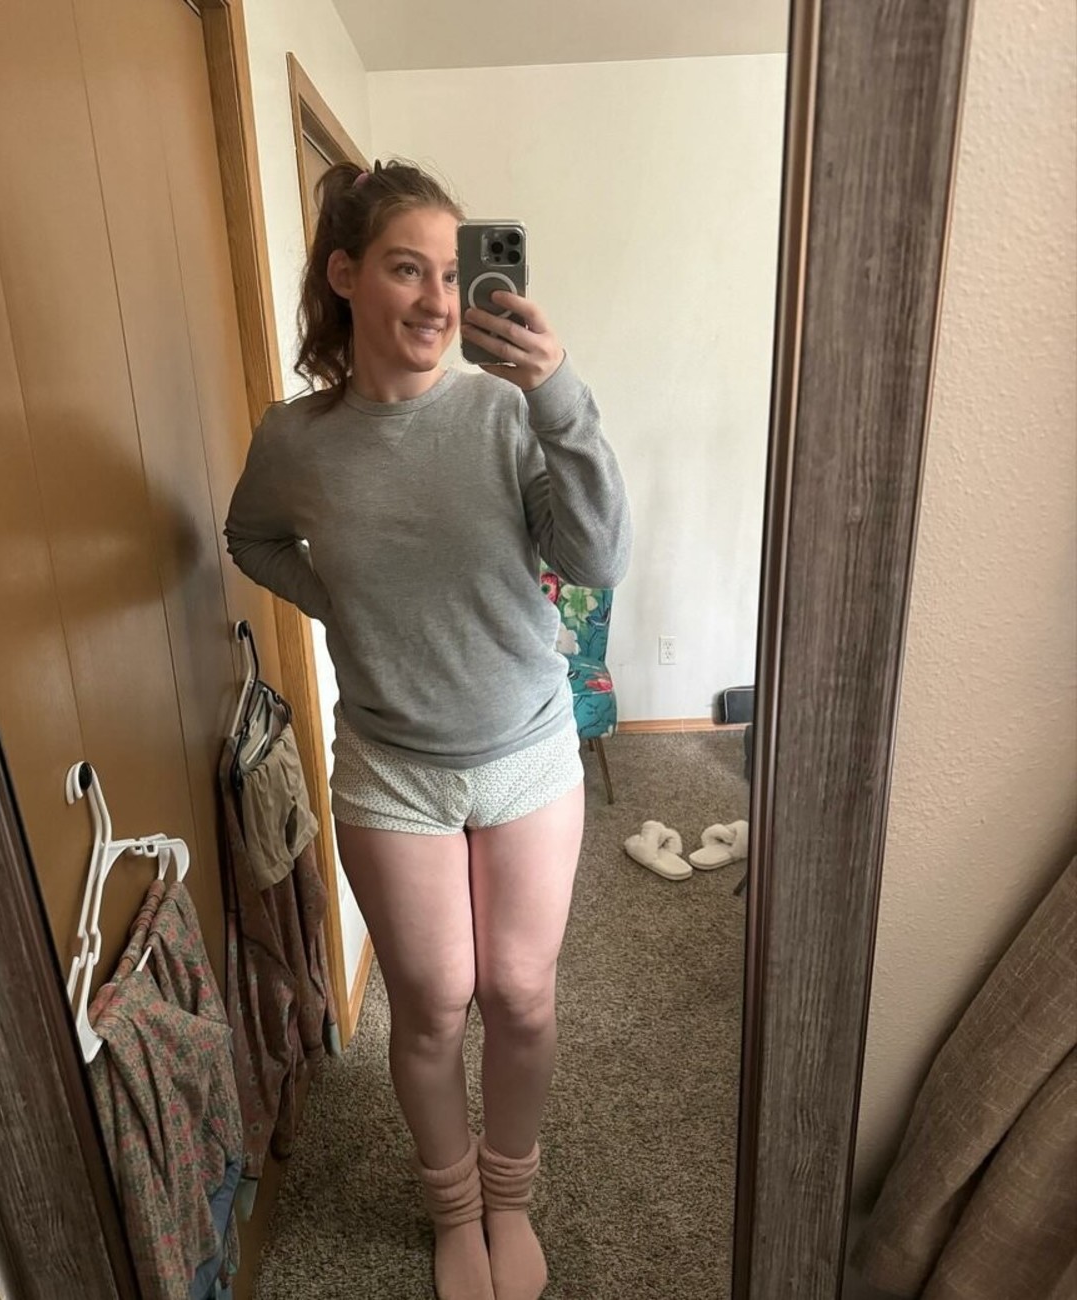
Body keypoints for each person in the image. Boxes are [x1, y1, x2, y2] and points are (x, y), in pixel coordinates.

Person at [224, 158, 631, 1300]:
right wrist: (342, 605)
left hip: (528, 749)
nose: (440, 300)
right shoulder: (297, 440)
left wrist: (559, 394)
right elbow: (250, 538)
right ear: (345, 275)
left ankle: (511, 1200)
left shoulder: (507, 413)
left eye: (455, 274)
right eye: (410, 269)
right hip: (392, 769)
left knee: (523, 994)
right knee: (433, 1005)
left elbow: (596, 557)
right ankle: (454, 1210)